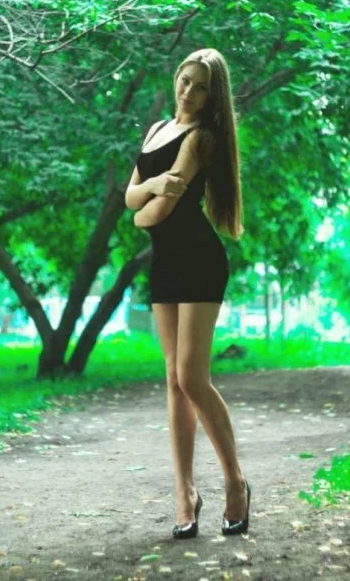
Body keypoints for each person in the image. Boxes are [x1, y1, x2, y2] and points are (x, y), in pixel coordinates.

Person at [125, 48, 251, 539]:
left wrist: (144, 201)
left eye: (201, 87)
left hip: (199, 261)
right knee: (173, 380)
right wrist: (154, 185)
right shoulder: (158, 129)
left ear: (212, 96)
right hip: (165, 265)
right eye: (186, 80)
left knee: (191, 378)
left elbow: (149, 214)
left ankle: (235, 482)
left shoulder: (201, 138)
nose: (189, 92)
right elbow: (132, 196)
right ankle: (185, 494)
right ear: (176, 77)